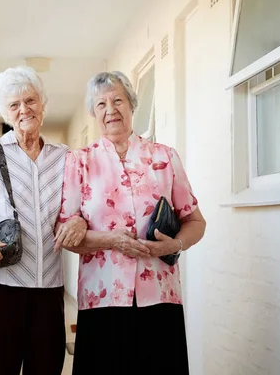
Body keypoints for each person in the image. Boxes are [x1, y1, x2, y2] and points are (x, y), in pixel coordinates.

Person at [54, 71, 207, 375]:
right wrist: (110, 240)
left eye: (117, 100)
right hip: (103, 296)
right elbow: (65, 233)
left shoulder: (164, 157)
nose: (110, 110)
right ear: (94, 113)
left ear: (132, 105)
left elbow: (195, 221)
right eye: (101, 104)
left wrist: (175, 244)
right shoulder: (80, 161)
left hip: (160, 295)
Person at [0, 66, 86, 375]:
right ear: (5, 112)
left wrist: (78, 221)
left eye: (30, 100)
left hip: (49, 290)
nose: (24, 109)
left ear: (42, 104)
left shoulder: (64, 157)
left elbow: (77, 209)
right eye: (14, 105)